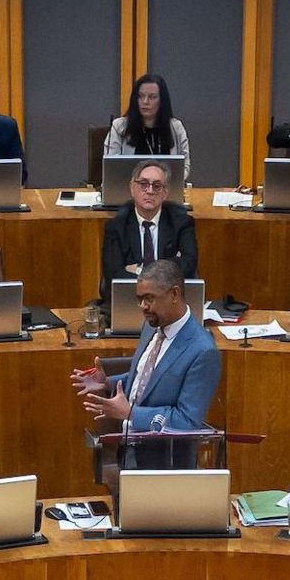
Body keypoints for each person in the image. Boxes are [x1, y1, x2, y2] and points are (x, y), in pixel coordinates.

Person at [71, 259, 220, 431]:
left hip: (164, 454)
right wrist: (108, 383)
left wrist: (132, 414)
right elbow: (146, 378)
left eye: (149, 299)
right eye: (139, 299)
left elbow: (187, 421)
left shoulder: (203, 351)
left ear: (174, 294)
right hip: (128, 444)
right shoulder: (151, 327)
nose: (142, 307)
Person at [98, 159, 199, 299]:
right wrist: (169, 266)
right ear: (132, 188)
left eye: (157, 186)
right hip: (130, 300)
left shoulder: (182, 223)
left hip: (168, 302)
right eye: (143, 184)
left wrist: (140, 270)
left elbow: (188, 264)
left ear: (165, 193)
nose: (150, 191)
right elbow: (113, 273)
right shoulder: (115, 226)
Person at [104, 74, 192, 181]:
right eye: (140, 96)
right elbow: (111, 168)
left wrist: (170, 184)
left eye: (152, 97)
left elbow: (185, 166)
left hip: (165, 192)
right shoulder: (119, 127)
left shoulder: (176, 127)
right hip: (130, 192)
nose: (145, 101)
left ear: (162, 101)